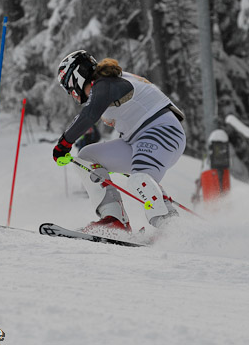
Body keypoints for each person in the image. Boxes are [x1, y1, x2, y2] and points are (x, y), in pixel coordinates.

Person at [52, 50, 187, 232]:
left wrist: (64, 143)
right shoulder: (105, 84)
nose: (71, 93)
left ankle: (172, 230)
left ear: (76, 76)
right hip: (139, 141)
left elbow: (89, 115)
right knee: (86, 157)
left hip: (162, 133)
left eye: (68, 87)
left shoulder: (104, 84)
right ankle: (115, 221)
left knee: (140, 180)